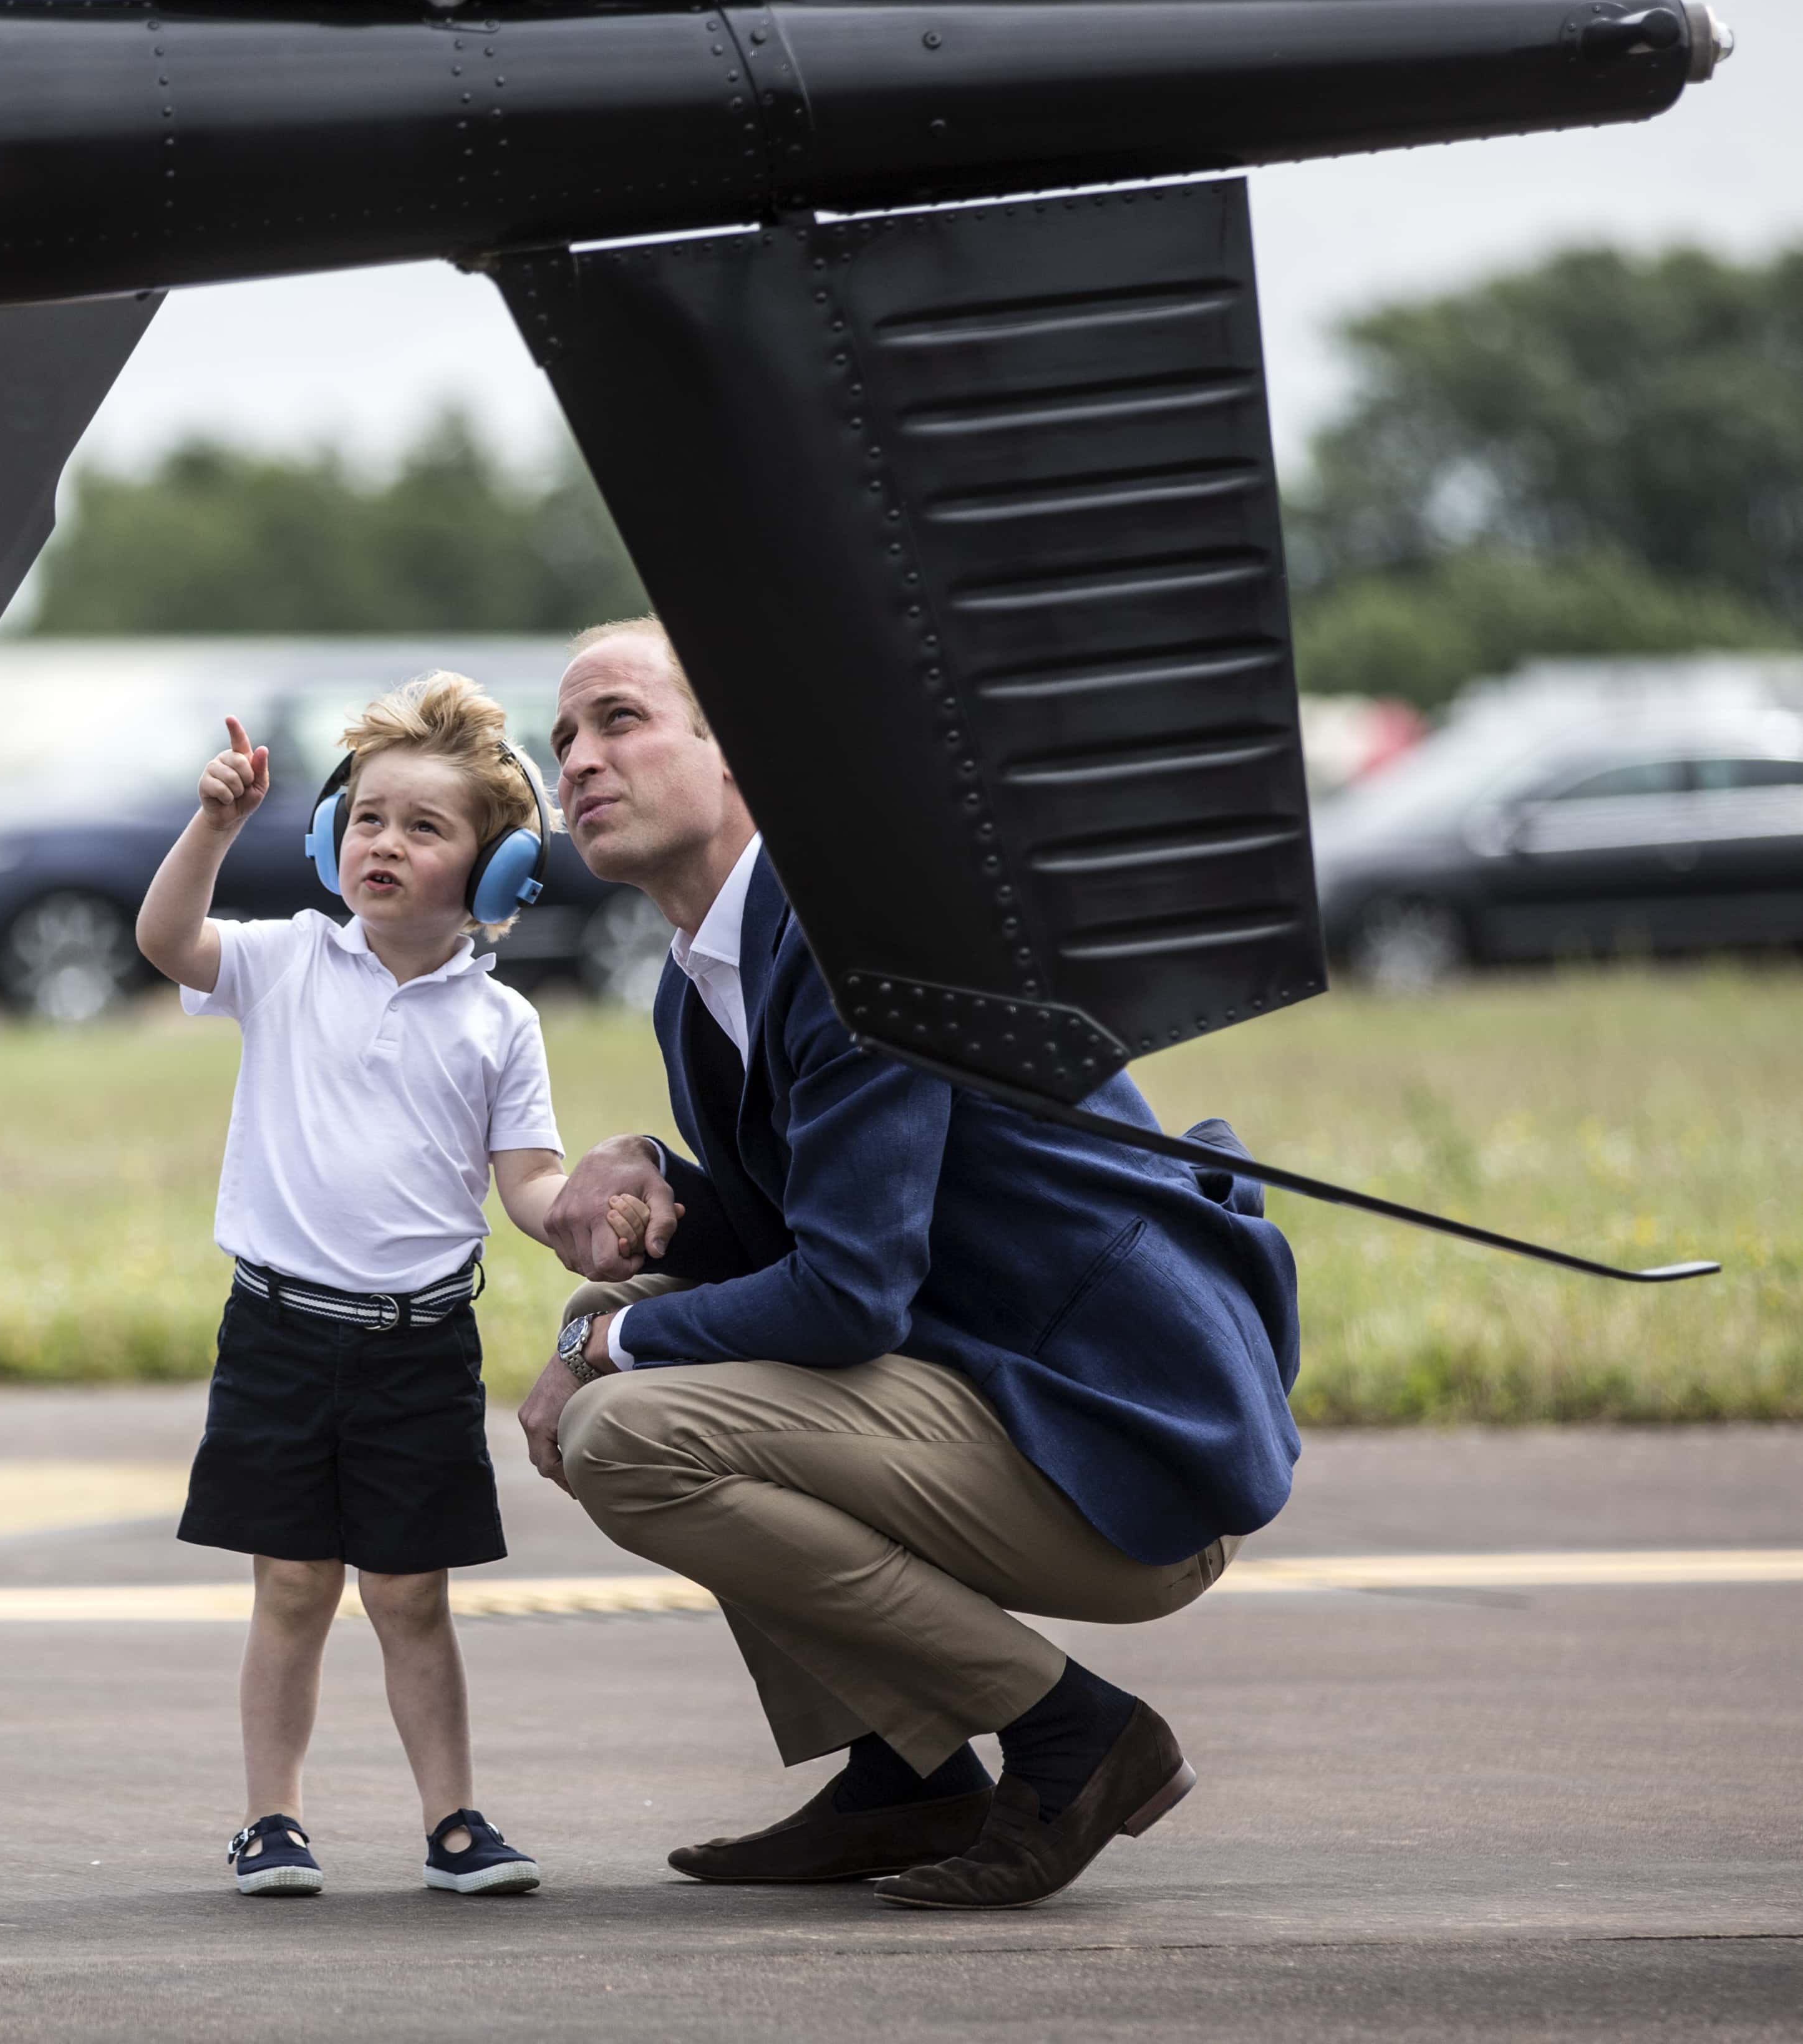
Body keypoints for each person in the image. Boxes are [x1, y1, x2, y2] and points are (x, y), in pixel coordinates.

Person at [518, 618, 1302, 1912]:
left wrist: (594, 1348)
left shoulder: (851, 942)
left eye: (617, 719)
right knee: (628, 1328)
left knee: (626, 1428)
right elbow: (804, 1238)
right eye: (562, 739)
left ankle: (1072, 1733)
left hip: (1121, 1440)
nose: (577, 763)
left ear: (741, 758)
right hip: (987, 1397)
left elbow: (843, 1299)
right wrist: (655, 1199)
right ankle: (907, 1771)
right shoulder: (702, 975)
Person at [137, 672, 570, 1900]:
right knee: (288, 1587)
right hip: (278, 1329)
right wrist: (213, 827)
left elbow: (526, 1182)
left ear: (493, 878)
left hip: (418, 1345)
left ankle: (454, 1821)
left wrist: (580, 1220)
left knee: (410, 1594)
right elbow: (169, 942)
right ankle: (270, 1817)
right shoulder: (283, 962)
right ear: (331, 838)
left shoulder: (500, 1024)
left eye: (424, 827)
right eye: (367, 816)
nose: (384, 840)